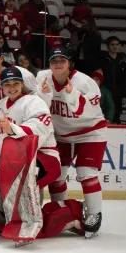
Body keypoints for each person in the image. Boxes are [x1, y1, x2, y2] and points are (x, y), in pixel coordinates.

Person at [37, 48, 108, 238]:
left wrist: (72, 93)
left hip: (90, 133)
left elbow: (85, 112)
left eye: (62, 61)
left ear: (69, 63)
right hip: (61, 135)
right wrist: (44, 96)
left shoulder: (85, 82)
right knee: (55, 175)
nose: (58, 64)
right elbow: (37, 106)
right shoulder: (43, 78)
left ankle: (94, 214)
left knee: (86, 173)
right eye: (54, 61)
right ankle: (57, 210)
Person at [98, 36, 126, 124]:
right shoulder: (102, 61)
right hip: (105, 95)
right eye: (112, 44)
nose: (115, 46)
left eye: (117, 44)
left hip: (118, 96)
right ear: (107, 46)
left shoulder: (122, 62)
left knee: (116, 118)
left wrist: (125, 95)